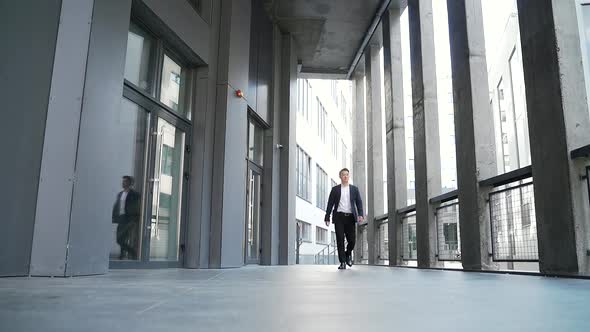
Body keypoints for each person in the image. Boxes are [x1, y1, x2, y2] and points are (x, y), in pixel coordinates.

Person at [324, 168, 364, 270]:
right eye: (343, 175)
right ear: (340, 176)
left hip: (350, 217)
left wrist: (360, 214)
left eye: (347, 174)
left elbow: (359, 202)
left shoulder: (354, 189)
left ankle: (348, 253)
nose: (345, 176)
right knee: (340, 240)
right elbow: (330, 204)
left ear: (348, 176)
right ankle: (342, 262)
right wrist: (327, 217)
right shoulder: (335, 189)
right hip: (339, 217)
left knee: (352, 240)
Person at [112, 176, 141, 260]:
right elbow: (116, 206)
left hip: (129, 219)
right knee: (120, 238)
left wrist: (134, 219)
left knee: (121, 238)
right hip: (121, 218)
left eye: (125, 181)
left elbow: (137, 207)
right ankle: (123, 255)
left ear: (130, 183)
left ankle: (133, 253)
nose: (123, 183)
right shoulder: (120, 194)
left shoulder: (135, 195)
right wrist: (114, 217)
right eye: (123, 181)